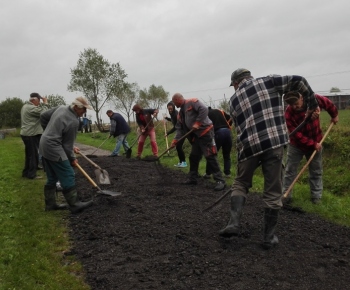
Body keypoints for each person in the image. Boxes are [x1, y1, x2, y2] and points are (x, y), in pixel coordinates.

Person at [219, 68, 319, 250]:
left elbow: (239, 130)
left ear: (235, 83)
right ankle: (268, 237)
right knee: (273, 191)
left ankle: (233, 224)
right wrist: (312, 104)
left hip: (248, 147)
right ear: (248, 77)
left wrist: (241, 155)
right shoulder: (269, 81)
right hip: (273, 144)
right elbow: (300, 81)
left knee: (240, 183)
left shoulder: (233, 101)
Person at [282, 91, 338, 205]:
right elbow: (296, 135)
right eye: (291, 104)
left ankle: (316, 197)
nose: (294, 106)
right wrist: (313, 144)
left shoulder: (314, 100)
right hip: (296, 145)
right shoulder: (288, 113)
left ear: (301, 98)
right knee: (290, 171)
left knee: (316, 171)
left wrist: (334, 115)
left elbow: (328, 104)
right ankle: (286, 197)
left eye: (296, 103)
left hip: (316, 140)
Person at [39, 96, 93, 213]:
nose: (84, 112)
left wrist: (48, 132)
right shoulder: (73, 121)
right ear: (76, 107)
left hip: (44, 144)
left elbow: (43, 116)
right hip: (54, 148)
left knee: (52, 177)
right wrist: (72, 159)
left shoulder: (61, 108)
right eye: (84, 109)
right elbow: (67, 146)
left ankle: (51, 205)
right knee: (68, 174)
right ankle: (75, 204)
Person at [171, 93, 226, 191]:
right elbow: (179, 129)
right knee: (193, 156)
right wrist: (175, 140)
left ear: (177, 99)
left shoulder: (192, 102)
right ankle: (193, 178)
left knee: (210, 156)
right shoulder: (180, 114)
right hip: (196, 136)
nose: (174, 105)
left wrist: (198, 123)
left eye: (174, 102)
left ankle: (220, 180)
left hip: (205, 132)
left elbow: (204, 109)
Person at [20, 92, 48, 179]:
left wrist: (41, 104)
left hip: (26, 133)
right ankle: (32, 174)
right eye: (39, 100)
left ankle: (26, 172)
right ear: (34, 100)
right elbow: (45, 113)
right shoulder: (31, 108)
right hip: (30, 134)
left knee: (29, 154)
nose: (39, 102)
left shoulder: (25, 106)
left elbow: (39, 110)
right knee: (33, 155)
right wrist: (45, 103)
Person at [203, 107, 233, 178]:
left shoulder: (207, 114)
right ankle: (227, 173)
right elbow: (230, 118)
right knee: (227, 155)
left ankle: (208, 173)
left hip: (219, 133)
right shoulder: (220, 111)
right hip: (227, 132)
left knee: (212, 154)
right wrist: (228, 125)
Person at [164, 101, 188, 168]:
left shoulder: (176, 114)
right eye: (169, 109)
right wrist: (167, 118)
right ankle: (181, 162)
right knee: (178, 147)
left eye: (171, 108)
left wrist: (168, 133)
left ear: (174, 107)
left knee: (178, 146)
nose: (170, 110)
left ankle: (184, 163)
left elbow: (175, 126)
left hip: (182, 131)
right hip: (179, 130)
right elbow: (173, 121)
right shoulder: (172, 113)